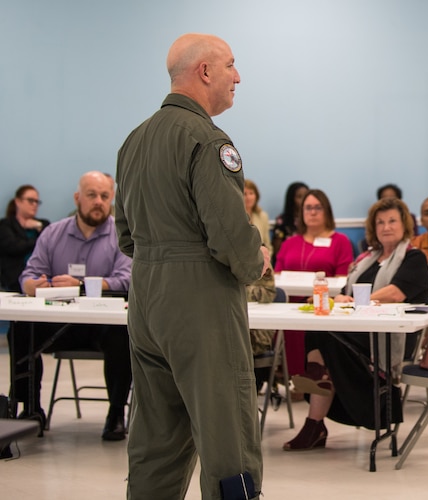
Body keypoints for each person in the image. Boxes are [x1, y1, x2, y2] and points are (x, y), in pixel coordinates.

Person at [116, 33, 269, 499]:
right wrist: (255, 259)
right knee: (229, 438)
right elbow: (229, 236)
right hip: (199, 301)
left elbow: (126, 237)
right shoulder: (208, 139)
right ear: (204, 71)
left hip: (146, 301)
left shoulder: (134, 141)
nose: (237, 76)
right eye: (230, 65)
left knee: (156, 439)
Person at [282, 197, 428, 451]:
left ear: (404, 224)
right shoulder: (367, 258)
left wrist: (353, 301)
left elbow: (396, 293)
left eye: (392, 221)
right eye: (380, 222)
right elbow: (346, 290)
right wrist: (341, 298)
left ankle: (318, 391)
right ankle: (318, 390)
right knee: (319, 330)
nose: (386, 227)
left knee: (328, 336)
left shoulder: (413, 258)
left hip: (387, 334)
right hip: (358, 328)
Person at [10, 172, 132, 441]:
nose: (98, 201)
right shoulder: (53, 233)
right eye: (91, 195)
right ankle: (29, 409)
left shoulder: (122, 237)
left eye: (104, 196)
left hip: (102, 326)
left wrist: (81, 283)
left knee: (124, 335)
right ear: (78, 198)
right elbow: (30, 274)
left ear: (112, 199)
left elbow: (126, 279)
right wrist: (30, 285)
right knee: (21, 330)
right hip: (60, 324)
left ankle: (115, 414)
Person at [274, 189, 354, 377]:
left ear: (327, 211)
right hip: (289, 306)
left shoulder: (340, 242)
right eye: (308, 208)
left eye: (318, 207)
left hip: (323, 305)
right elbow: (276, 276)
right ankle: (292, 376)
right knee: (288, 321)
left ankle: (313, 377)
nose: (312, 212)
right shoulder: (290, 243)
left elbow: (343, 279)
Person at [0, 185, 51, 292]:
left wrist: (38, 226)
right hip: (13, 281)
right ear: (18, 202)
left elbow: (51, 243)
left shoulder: (43, 224)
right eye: (30, 201)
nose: (34, 205)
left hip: (41, 280)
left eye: (37, 202)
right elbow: (13, 247)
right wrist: (37, 241)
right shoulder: (6, 225)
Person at [271, 181, 309, 264]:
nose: (304, 200)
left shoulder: (312, 219)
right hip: (289, 262)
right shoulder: (282, 220)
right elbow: (277, 250)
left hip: (310, 260)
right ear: (291, 199)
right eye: (299, 197)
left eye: (306, 196)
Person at [244, 179, 272, 254]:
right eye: (244, 194)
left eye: (251, 193)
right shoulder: (235, 217)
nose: (248, 197)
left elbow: (267, 244)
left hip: (262, 259)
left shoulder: (263, 216)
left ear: (256, 195)